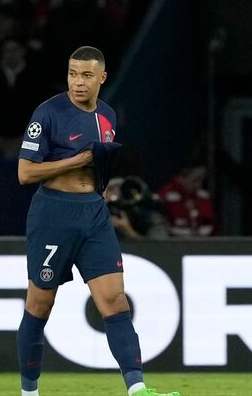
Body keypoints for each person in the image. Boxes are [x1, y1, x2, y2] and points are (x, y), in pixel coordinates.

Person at [16, 45, 179, 396]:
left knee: (115, 300)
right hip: (53, 214)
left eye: (86, 75)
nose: (77, 82)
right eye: (73, 74)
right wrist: (75, 162)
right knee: (39, 305)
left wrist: (100, 188)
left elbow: (100, 163)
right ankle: (29, 392)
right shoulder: (47, 113)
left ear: (102, 78)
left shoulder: (107, 115)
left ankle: (137, 389)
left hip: (94, 214)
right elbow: (25, 173)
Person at [157, 160, 216, 237]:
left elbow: (211, 225)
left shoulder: (204, 196)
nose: (199, 184)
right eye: (195, 180)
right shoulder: (166, 196)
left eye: (201, 180)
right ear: (181, 178)